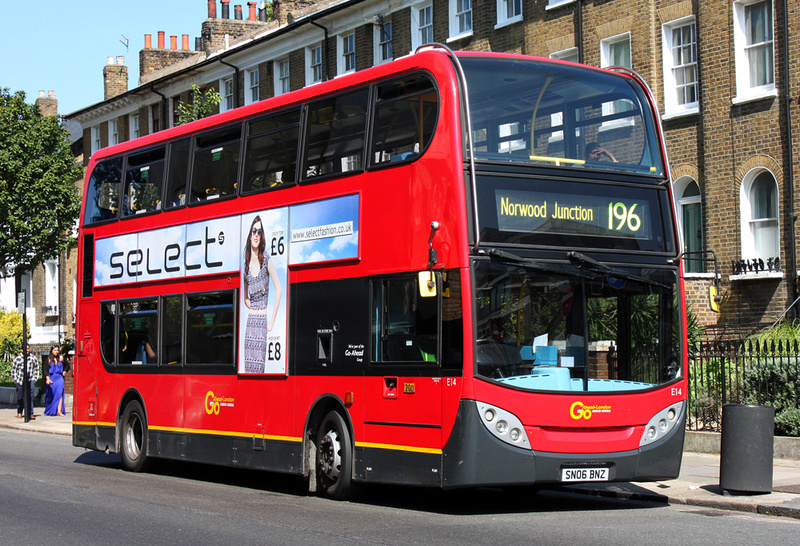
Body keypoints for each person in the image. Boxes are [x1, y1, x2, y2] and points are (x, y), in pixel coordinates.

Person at [243, 215, 283, 373]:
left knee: (258, 371)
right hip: (250, 322)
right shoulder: (245, 265)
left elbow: (279, 288)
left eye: (259, 231)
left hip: (261, 323)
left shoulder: (266, 259)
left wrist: (271, 322)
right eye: (254, 230)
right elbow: (245, 296)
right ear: (250, 234)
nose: (256, 234)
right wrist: (251, 306)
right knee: (248, 372)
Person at [12, 345, 40, 419]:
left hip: (30, 380)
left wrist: (34, 379)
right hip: (20, 380)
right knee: (20, 397)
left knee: (30, 397)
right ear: (22, 350)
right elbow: (14, 370)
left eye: (28, 348)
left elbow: (36, 368)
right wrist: (15, 380)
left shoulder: (33, 358)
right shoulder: (18, 359)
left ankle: (30, 413)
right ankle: (19, 411)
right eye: (25, 348)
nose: (27, 350)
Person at [44, 345, 66, 416]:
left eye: (57, 350)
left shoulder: (61, 358)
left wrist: (65, 371)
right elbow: (45, 369)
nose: (56, 352)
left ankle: (59, 411)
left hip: (59, 378)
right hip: (52, 378)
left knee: (60, 394)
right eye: (55, 350)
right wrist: (47, 378)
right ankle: (51, 408)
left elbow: (67, 365)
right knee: (52, 394)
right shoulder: (49, 359)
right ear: (52, 351)